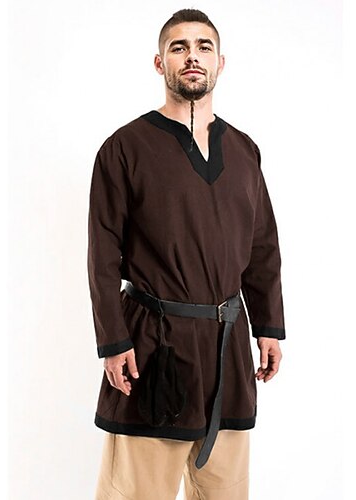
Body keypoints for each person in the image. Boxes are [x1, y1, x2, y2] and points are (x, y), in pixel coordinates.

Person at [87, 8, 286, 500]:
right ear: (160, 63)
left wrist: (268, 326)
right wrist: (112, 340)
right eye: (179, 48)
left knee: (225, 491)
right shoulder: (125, 148)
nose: (192, 56)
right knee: (136, 492)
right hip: (153, 348)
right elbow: (102, 253)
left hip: (227, 350)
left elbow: (262, 246)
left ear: (221, 62)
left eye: (203, 47)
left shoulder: (244, 151)